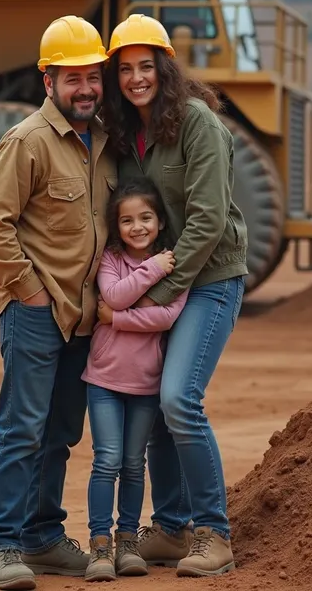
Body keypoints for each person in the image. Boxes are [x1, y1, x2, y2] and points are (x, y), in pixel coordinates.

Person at [0, 15, 117, 591]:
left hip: (83, 320)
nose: (85, 87)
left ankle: (43, 538)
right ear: (48, 80)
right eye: (72, 77)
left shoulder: (101, 144)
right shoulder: (28, 140)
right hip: (36, 313)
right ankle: (0, 546)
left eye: (92, 76)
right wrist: (29, 292)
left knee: (59, 432)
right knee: (21, 429)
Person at [101, 13, 248, 577]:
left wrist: (147, 295)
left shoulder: (197, 125)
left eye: (146, 66)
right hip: (158, 287)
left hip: (209, 280)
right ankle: (169, 528)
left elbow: (207, 221)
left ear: (164, 67)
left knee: (179, 400)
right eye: (126, 69)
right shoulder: (126, 137)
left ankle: (213, 533)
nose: (137, 78)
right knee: (156, 403)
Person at [80, 176, 188, 582]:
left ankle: (127, 541)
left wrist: (115, 317)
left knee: (133, 463)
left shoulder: (174, 262)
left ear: (160, 221)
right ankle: (100, 547)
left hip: (145, 385)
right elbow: (118, 292)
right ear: (117, 225)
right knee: (106, 461)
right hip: (104, 381)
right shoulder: (110, 258)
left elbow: (165, 316)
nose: (137, 226)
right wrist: (149, 272)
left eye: (146, 218)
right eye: (127, 220)